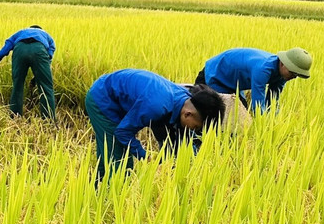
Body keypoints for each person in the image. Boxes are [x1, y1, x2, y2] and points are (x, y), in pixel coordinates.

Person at [84, 69, 226, 182]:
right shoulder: (157, 106)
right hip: (103, 98)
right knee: (119, 161)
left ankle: (97, 188)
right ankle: (107, 199)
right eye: (195, 127)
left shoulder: (185, 99)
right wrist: (146, 159)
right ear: (188, 114)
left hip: (124, 98)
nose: (193, 130)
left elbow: (182, 138)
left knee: (111, 155)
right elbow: (123, 132)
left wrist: (192, 161)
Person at [195, 47, 311, 113]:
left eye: (297, 75)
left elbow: (273, 101)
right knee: (222, 113)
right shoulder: (263, 69)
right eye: (292, 72)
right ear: (283, 63)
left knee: (242, 111)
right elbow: (258, 105)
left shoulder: (283, 75)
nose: (293, 77)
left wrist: (275, 118)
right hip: (216, 75)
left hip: (234, 83)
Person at [0, 25, 55, 120]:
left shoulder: (20, 33)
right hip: (39, 50)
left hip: (19, 50)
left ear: (29, 28)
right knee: (46, 87)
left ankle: (15, 116)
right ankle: (49, 120)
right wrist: (36, 79)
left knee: (17, 85)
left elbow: (3, 51)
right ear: (41, 30)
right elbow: (47, 60)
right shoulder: (47, 36)